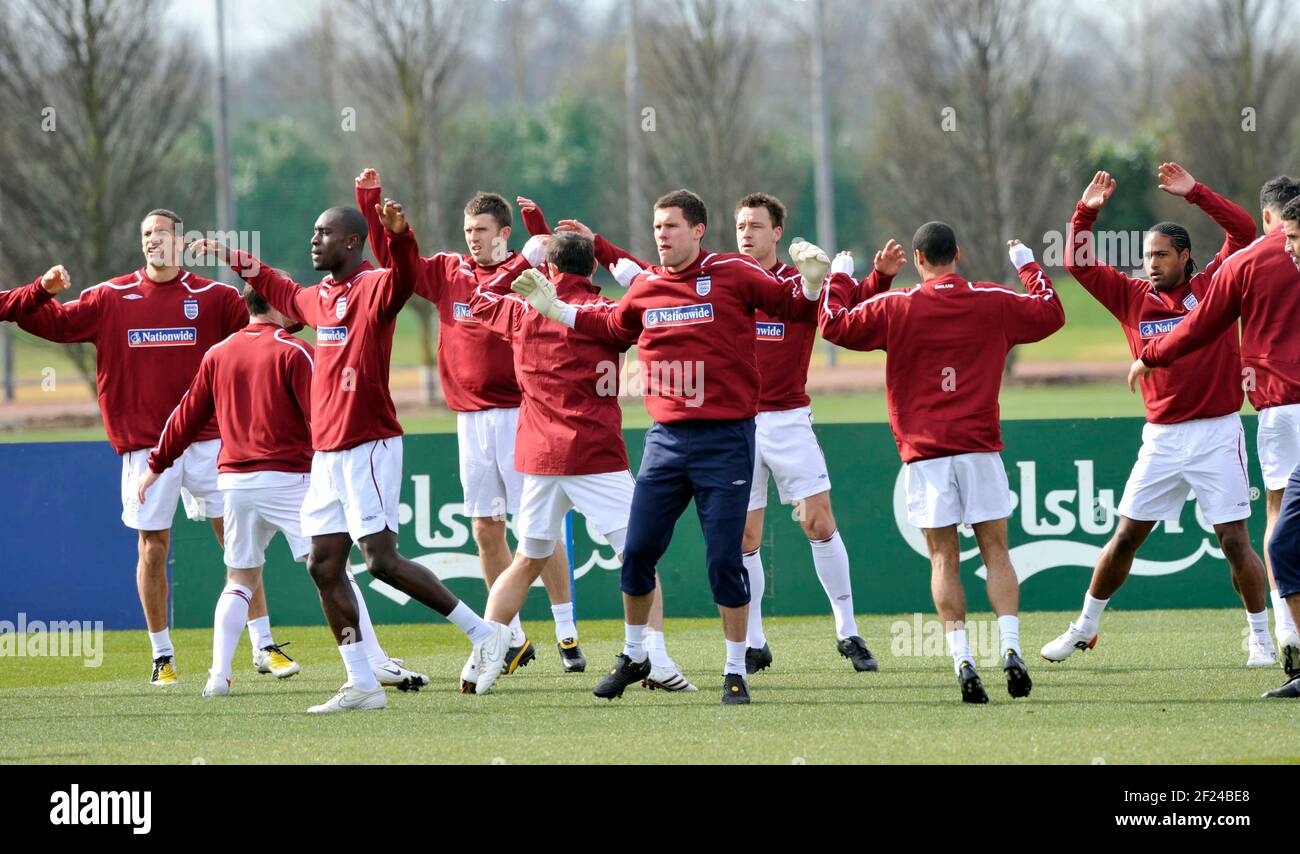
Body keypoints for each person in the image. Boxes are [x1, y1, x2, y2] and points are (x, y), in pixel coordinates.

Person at [189, 199, 508, 713]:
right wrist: (233, 255)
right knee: (323, 565)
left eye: (324, 233)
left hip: (370, 442)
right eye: (314, 232)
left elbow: (405, 277)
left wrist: (402, 236)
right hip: (328, 453)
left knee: (380, 561)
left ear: (352, 241)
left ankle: (484, 633)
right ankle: (362, 682)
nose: (314, 240)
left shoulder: (374, 286)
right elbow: (278, 288)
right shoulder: (320, 297)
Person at [512, 188, 825, 705]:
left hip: (725, 440)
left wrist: (813, 285)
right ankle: (636, 656)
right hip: (665, 442)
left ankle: (735, 671)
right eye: (657, 227)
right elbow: (609, 325)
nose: (662, 235)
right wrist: (556, 309)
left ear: (697, 230)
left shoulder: (731, 272)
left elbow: (791, 307)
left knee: (724, 559)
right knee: (636, 553)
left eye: (672, 226)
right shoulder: (647, 287)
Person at [18, 210, 291, 687]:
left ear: (179, 241)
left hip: (209, 440)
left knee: (237, 540)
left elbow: (274, 316)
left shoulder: (214, 297)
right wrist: (40, 290)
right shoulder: (110, 297)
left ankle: (264, 646)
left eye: (161, 234)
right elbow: (51, 325)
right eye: (145, 234)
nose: (152, 241)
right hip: (145, 450)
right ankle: (162, 656)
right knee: (153, 548)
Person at [140, 285, 428, 696]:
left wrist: (156, 465)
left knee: (239, 578)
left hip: (234, 483)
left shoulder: (218, 353)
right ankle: (375, 662)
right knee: (336, 572)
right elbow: (323, 418)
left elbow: (185, 415)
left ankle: (217, 677)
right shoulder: (295, 351)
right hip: (290, 480)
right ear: (274, 305)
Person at [820, 224, 1064, 703]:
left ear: (917, 258)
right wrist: (1027, 264)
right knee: (997, 553)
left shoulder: (896, 306)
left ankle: (962, 658)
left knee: (943, 557)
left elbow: (833, 324)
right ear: (959, 253)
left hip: (927, 454)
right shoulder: (993, 299)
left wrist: (846, 276)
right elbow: (1051, 313)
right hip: (979, 448)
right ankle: (1011, 649)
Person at [1043, 164, 1270, 666]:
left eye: (1161, 255)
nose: (1151, 264)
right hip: (1162, 438)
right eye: (1147, 256)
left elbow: (1246, 232)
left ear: (1185, 256)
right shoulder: (1131, 297)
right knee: (1125, 536)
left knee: (1235, 541)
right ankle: (1085, 627)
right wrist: (1086, 212)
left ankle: (1261, 638)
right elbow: (1078, 264)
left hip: (1216, 432)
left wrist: (1196, 193)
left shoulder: (1215, 282)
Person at [355, 169, 579, 674]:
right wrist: (376, 212)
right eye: (467, 229)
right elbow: (397, 263)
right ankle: (511, 636)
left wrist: (543, 234)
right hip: (471, 420)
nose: (471, 238)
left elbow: (567, 275)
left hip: (524, 414)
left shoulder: (528, 273)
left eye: (480, 230)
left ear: (503, 234)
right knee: (484, 529)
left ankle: (567, 631)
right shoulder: (448, 272)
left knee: (537, 528)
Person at [1129, 177, 1300, 695]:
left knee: (1281, 528)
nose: (1287, 249)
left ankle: (1287, 630)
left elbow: (1198, 327)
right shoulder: (1263, 252)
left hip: (1282, 410)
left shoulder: (1250, 261)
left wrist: (1150, 355)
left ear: (1270, 218)